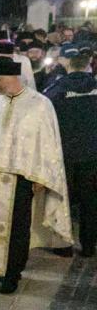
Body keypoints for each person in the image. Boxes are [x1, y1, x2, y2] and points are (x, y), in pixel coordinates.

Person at [0, 58, 72, 294]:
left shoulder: (40, 104)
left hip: (22, 177)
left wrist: (41, 175)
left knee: (17, 228)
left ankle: (12, 274)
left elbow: (48, 143)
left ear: (14, 77)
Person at [46, 44, 97, 257]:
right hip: (92, 154)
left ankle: (63, 244)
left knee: (63, 199)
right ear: (88, 68)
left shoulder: (55, 89)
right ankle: (88, 245)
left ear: (68, 67)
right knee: (90, 201)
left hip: (63, 154)